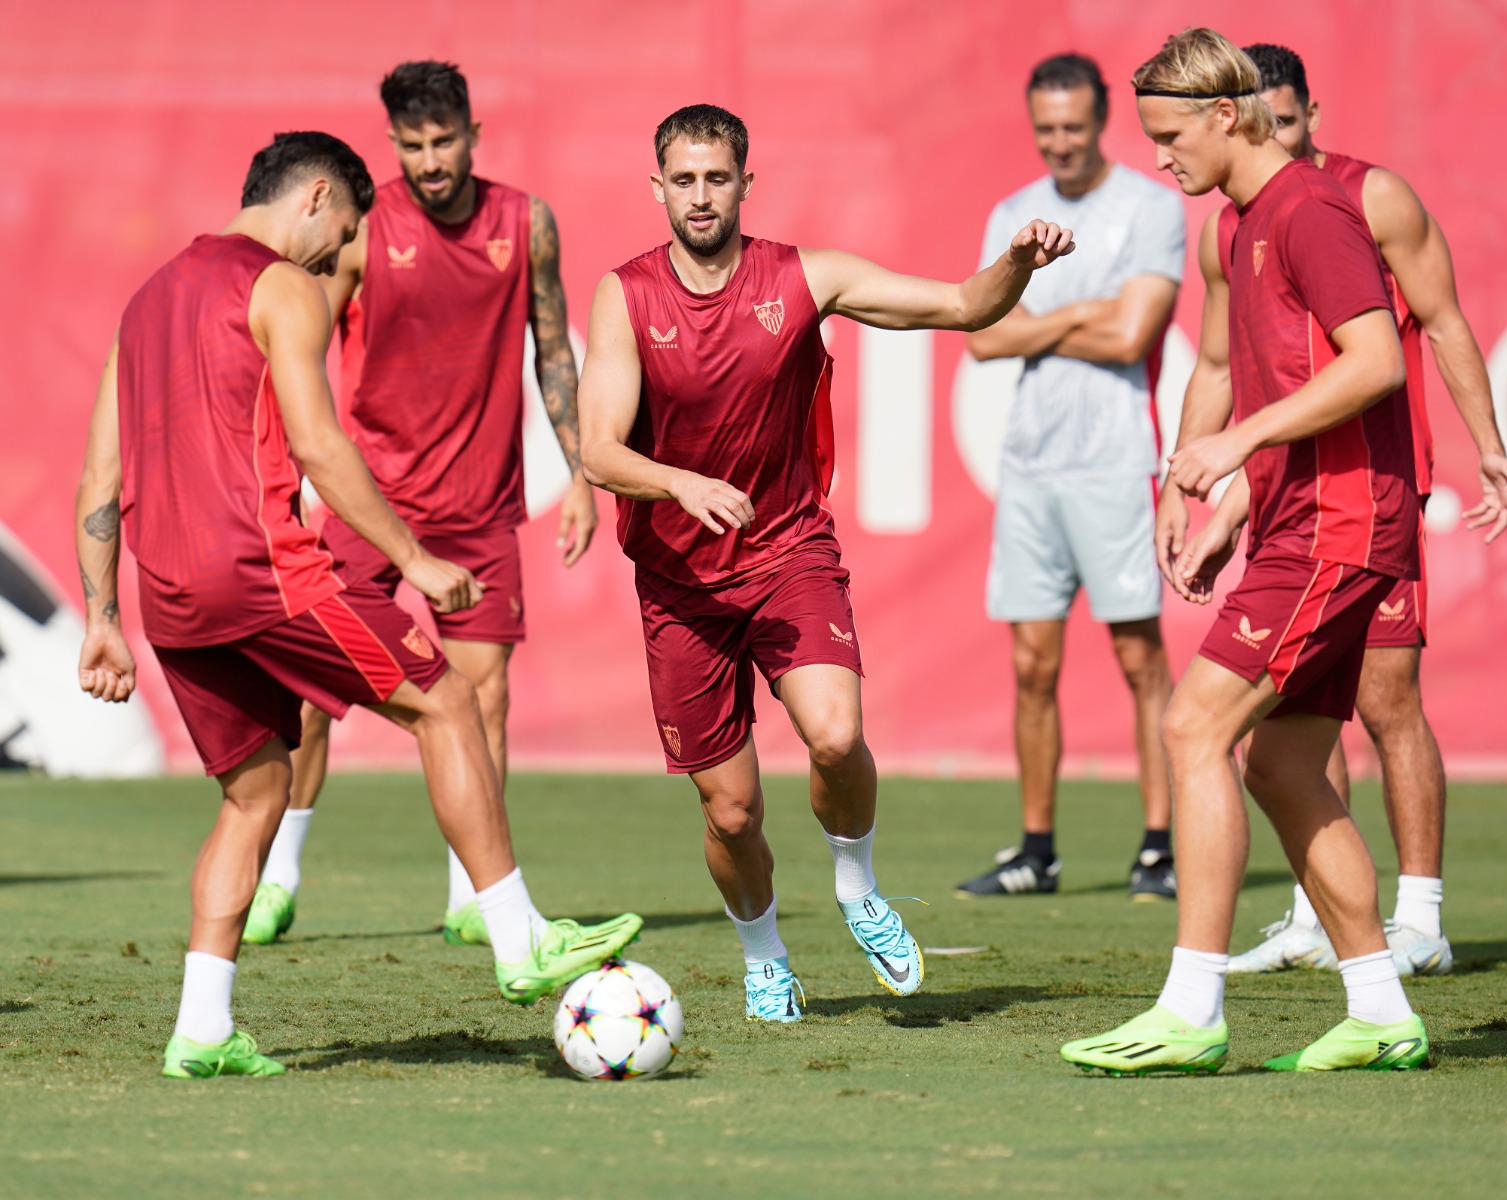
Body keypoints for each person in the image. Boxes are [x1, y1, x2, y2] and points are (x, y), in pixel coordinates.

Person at [74, 132, 639, 1079]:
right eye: (344, 230)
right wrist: (412, 559)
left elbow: (100, 474)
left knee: (253, 794)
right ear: (318, 196)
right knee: (447, 699)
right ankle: (517, 939)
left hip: (166, 600)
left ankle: (202, 1029)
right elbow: (323, 450)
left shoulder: (144, 304)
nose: (342, 253)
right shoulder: (279, 283)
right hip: (265, 575)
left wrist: (102, 620)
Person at [579, 104, 1072, 1021]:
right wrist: (679, 483)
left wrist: (1020, 261)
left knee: (837, 735)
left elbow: (964, 306)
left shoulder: (803, 278)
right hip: (680, 588)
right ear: (657, 188)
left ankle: (857, 885)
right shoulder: (626, 294)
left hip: (786, 550)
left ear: (744, 185)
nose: (699, 196)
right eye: (682, 180)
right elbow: (598, 450)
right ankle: (764, 952)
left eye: (716, 179)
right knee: (730, 814)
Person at [1061, 29, 1428, 1075]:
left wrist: (1236, 448)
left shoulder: (1311, 210)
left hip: (1342, 524)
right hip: (1302, 519)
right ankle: (1379, 1007)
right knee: (1274, 762)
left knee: (1190, 727)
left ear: (1226, 116)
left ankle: (1189, 1006)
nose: (1159, 157)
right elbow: (1242, 371)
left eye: (1170, 136)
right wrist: (1220, 496)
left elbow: (1374, 367)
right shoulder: (1238, 224)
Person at [243, 61, 596, 948]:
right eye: (414, 145)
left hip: (479, 508)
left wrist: (584, 476)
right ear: (394, 144)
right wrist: (293, 474)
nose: (432, 160)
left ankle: (472, 896)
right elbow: (297, 349)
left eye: (445, 141)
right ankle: (278, 876)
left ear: (474, 134)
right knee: (314, 694)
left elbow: (554, 351)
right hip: (372, 503)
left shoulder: (527, 223)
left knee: (483, 702)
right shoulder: (363, 234)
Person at [1221, 42, 1507, 977]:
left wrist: (1489, 447)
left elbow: (1440, 321)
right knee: (1296, 712)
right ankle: (1322, 919)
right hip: (1282, 494)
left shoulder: (1368, 197)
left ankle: (1422, 919)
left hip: (1370, 489)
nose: (1277, 136)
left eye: (1290, 118)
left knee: (1384, 698)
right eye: (1260, 120)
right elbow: (1211, 363)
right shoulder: (1233, 220)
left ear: (1310, 111)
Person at [958, 53, 1183, 902]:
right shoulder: (1014, 213)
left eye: (1074, 127)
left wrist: (1044, 321)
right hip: (1031, 463)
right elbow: (981, 334)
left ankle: (1159, 844)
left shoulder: (1150, 209)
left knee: (1137, 657)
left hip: (1117, 457)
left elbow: (1134, 337)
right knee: (1031, 664)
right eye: (1046, 128)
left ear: (1100, 123)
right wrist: (1091, 310)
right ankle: (1036, 850)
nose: (1060, 143)